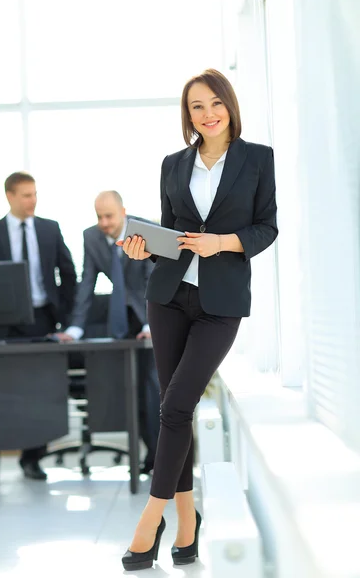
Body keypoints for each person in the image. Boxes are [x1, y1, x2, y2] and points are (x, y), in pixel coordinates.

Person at [118, 68, 278, 571]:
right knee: (175, 412)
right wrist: (143, 250)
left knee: (175, 406)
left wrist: (223, 243)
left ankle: (152, 518)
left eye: (214, 104)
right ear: (186, 115)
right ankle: (187, 523)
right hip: (167, 296)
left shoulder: (257, 159)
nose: (206, 115)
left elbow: (266, 226)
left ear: (229, 106)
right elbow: (169, 231)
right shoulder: (173, 164)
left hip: (221, 302)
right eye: (195, 107)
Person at [0, 171, 77, 487]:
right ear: (10, 196)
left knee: (37, 391)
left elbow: (68, 275)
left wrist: (66, 320)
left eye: (35, 194)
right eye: (26, 195)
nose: (33, 201)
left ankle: (32, 460)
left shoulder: (49, 229)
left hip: (40, 319)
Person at [56, 191, 160, 474]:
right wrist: (75, 328)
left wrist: (152, 324)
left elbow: (155, 278)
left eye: (109, 216)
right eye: (99, 216)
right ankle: (143, 455)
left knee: (151, 388)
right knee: (129, 386)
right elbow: (87, 282)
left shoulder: (143, 230)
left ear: (123, 211)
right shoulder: (91, 237)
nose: (103, 222)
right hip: (119, 319)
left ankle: (157, 458)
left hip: (150, 314)